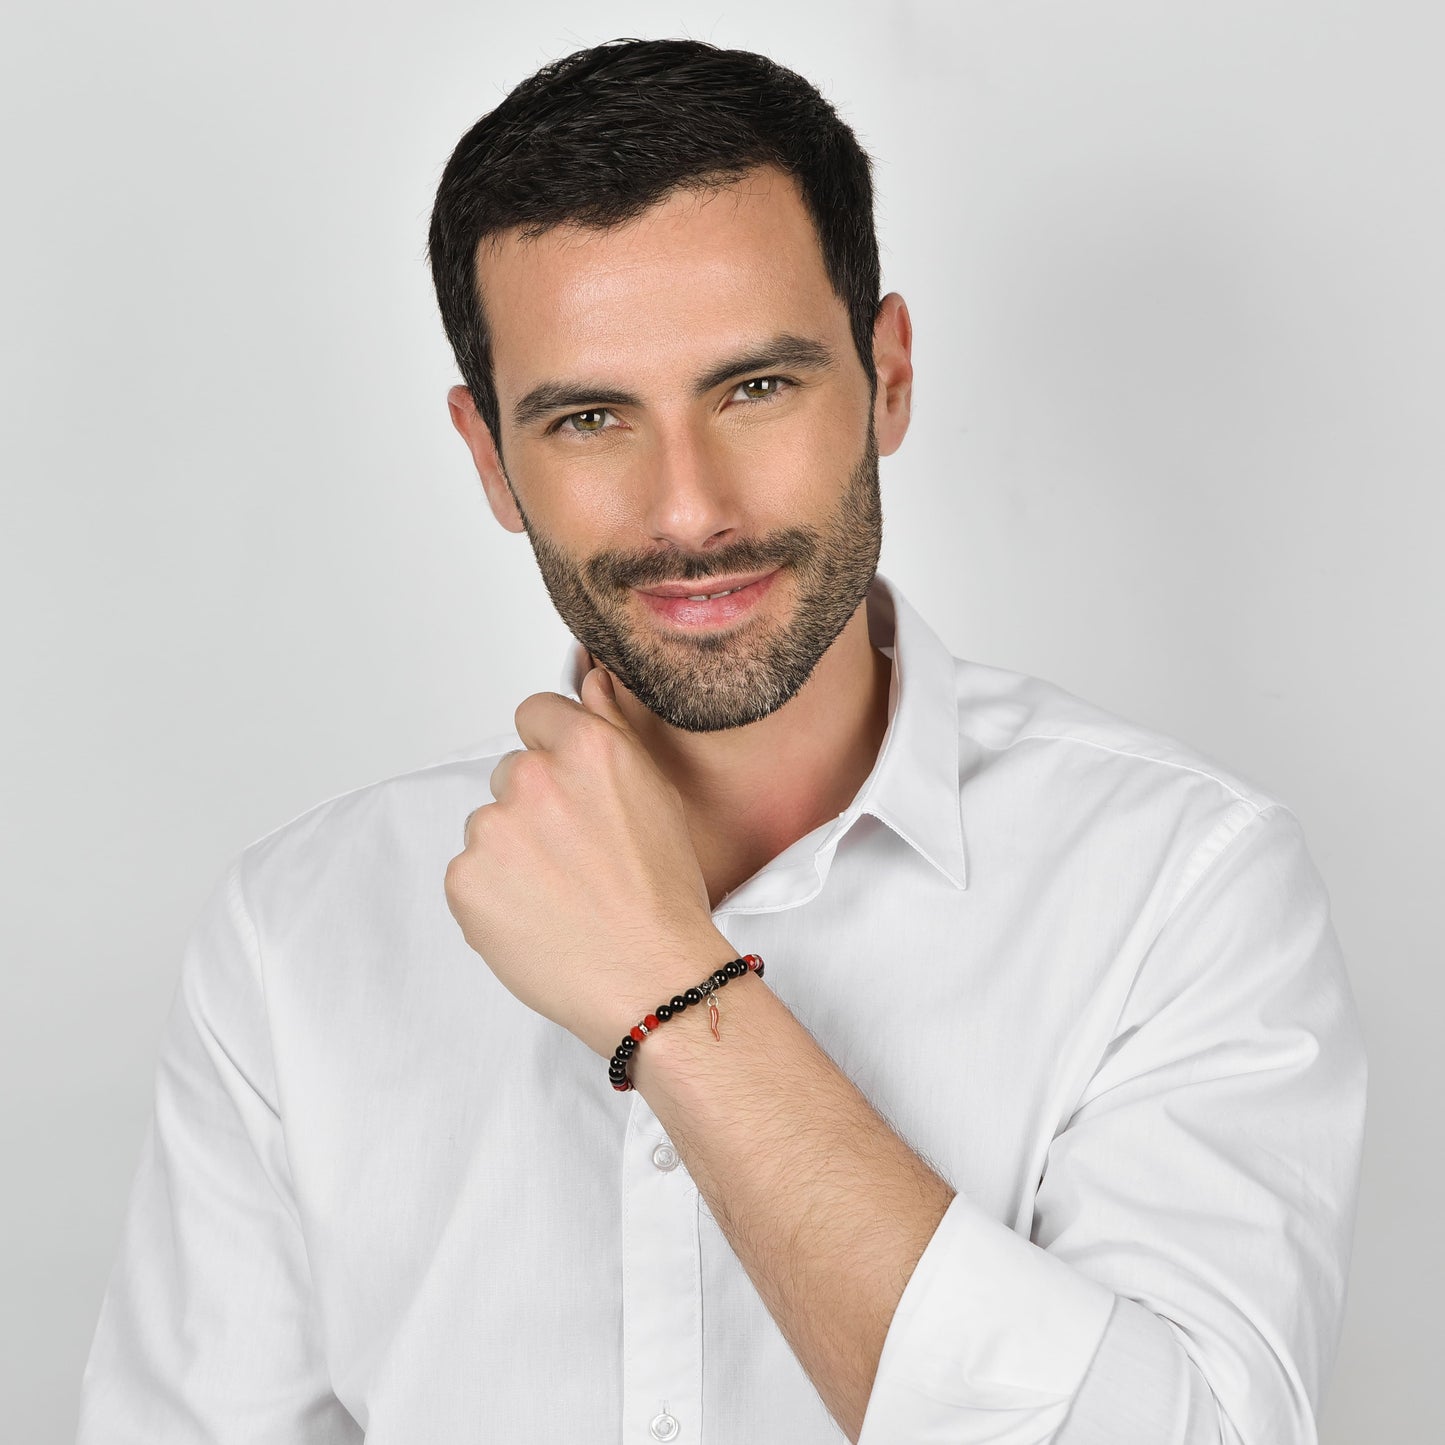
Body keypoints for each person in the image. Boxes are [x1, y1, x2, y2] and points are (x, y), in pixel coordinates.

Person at [76, 37, 1367, 1445]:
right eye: (589, 418)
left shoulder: (1180, 882)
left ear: (887, 375)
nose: (688, 510)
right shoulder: (297, 933)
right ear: (490, 456)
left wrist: (668, 993)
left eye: (754, 387)